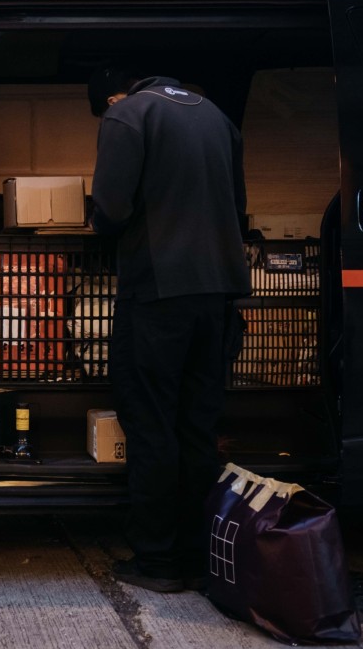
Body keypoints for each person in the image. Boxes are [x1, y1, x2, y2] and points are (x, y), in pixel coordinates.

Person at [87, 67, 251, 593]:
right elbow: (238, 209)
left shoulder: (127, 114)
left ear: (112, 95)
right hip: (219, 291)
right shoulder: (217, 117)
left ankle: (156, 562)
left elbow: (110, 211)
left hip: (159, 293)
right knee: (197, 425)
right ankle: (198, 554)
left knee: (152, 421)